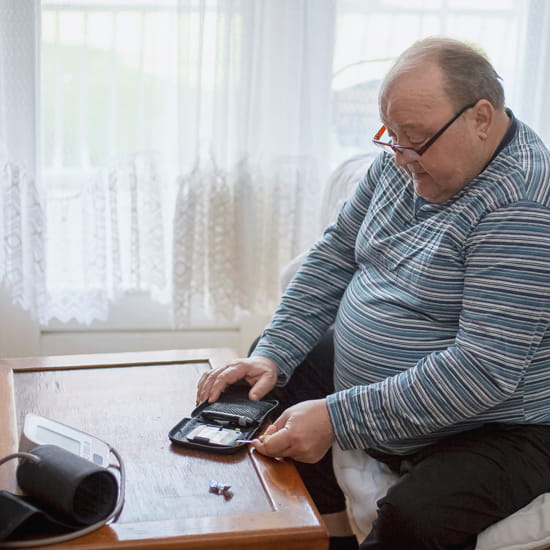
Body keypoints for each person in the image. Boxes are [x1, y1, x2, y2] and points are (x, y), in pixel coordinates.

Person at [197, 37, 550, 550]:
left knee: (415, 516)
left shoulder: (521, 206)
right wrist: (276, 350)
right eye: (392, 135)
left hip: (502, 423)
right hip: (400, 390)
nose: (400, 156)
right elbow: (335, 255)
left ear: (481, 118)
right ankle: (324, 532)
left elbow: (483, 370)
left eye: (417, 139)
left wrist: (338, 417)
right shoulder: (405, 159)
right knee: (260, 377)